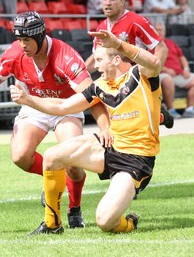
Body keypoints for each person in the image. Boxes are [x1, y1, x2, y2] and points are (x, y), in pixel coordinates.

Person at [0, 11, 110, 229]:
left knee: (72, 162)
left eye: (27, 40)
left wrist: (105, 127)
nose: (22, 45)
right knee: (20, 156)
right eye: (19, 39)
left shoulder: (65, 57)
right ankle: (55, 174)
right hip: (34, 105)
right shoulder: (16, 52)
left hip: (67, 107)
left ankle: (74, 209)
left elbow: (91, 96)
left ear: (41, 36)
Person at [10, 29, 162, 235]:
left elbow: (154, 63)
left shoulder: (140, 75)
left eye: (99, 59)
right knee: (53, 156)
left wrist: (117, 42)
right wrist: (28, 100)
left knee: (105, 222)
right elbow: (64, 106)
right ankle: (52, 224)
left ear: (116, 59)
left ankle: (130, 223)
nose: (94, 65)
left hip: (136, 159)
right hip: (110, 146)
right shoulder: (99, 86)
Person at [85, 0, 173, 129]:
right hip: (114, 82)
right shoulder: (101, 27)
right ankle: (160, 117)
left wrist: (152, 75)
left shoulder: (137, 21)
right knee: (127, 125)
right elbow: (96, 57)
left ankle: (159, 116)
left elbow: (162, 48)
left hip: (137, 78)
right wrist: (80, 73)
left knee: (138, 124)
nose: (107, 3)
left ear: (122, 2)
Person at [155, 23, 194, 118]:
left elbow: (181, 57)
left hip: (178, 74)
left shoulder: (171, 43)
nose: (158, 32)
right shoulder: (151, 44)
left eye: (161, 30)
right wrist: (166, 70)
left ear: (165, 32)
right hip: (161, 74)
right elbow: (151, 61)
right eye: (156, 29)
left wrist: (186, 68)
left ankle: (190, 109)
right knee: (167, 79)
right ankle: (171, 110)